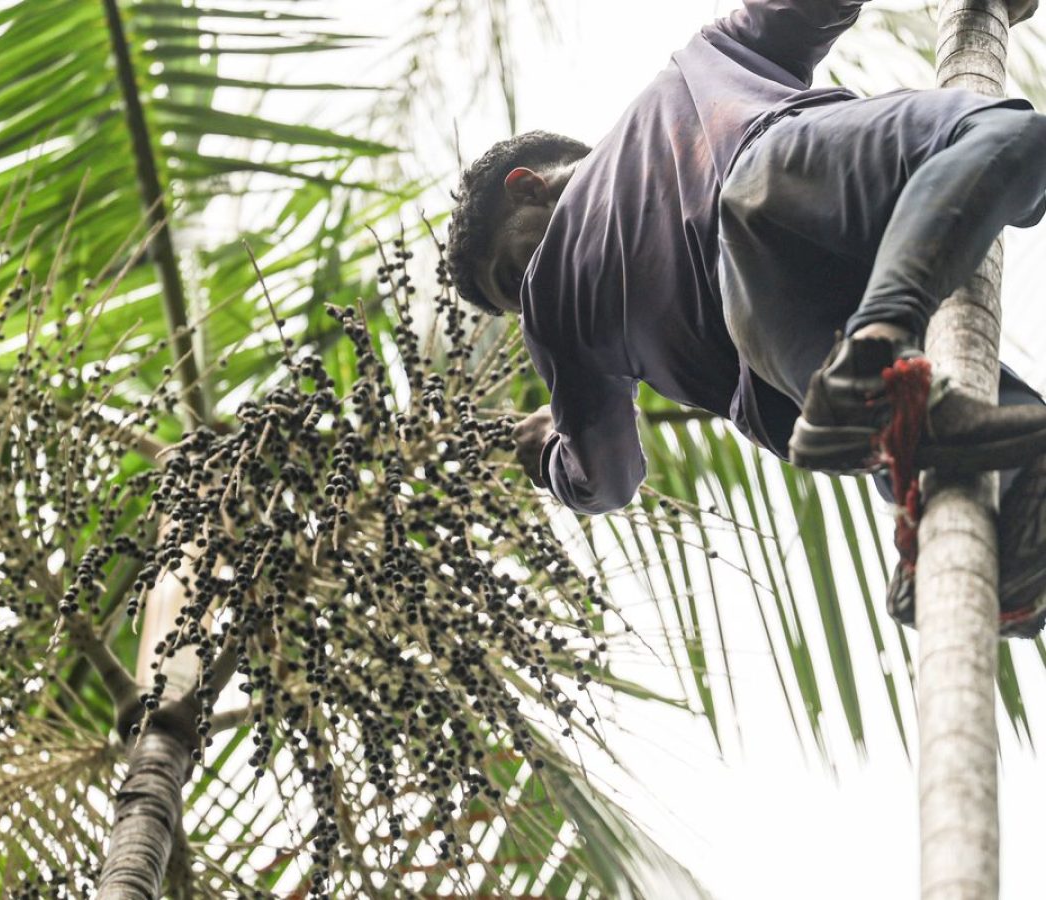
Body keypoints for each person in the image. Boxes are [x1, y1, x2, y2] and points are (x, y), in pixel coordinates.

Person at [445, 0, 1046, 636]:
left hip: (799, 264)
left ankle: (878, 377)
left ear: (527, 186)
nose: (528, 297)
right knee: (1011, 141)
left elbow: (606, 477)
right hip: (792, 301)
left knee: (1022, 141)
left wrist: (551, 459)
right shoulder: (700, 66)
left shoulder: (697, 75)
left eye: (514, 274)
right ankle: (880, 373)